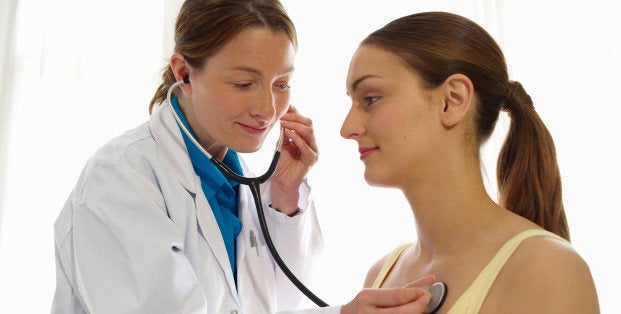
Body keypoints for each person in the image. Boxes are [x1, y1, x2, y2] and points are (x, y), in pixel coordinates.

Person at [51, 1, 433, 313]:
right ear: (184, 72)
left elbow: (277, 302)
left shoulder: (243, 177)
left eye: (281, 84)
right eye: (243, 84)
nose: (268, 109)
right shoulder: (120, 179)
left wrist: (284, 197)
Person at [341, 11, 600, 313]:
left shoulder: (549, 270)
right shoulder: (381, 277)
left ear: (452, 99)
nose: (347, 128)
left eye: (370, 99)